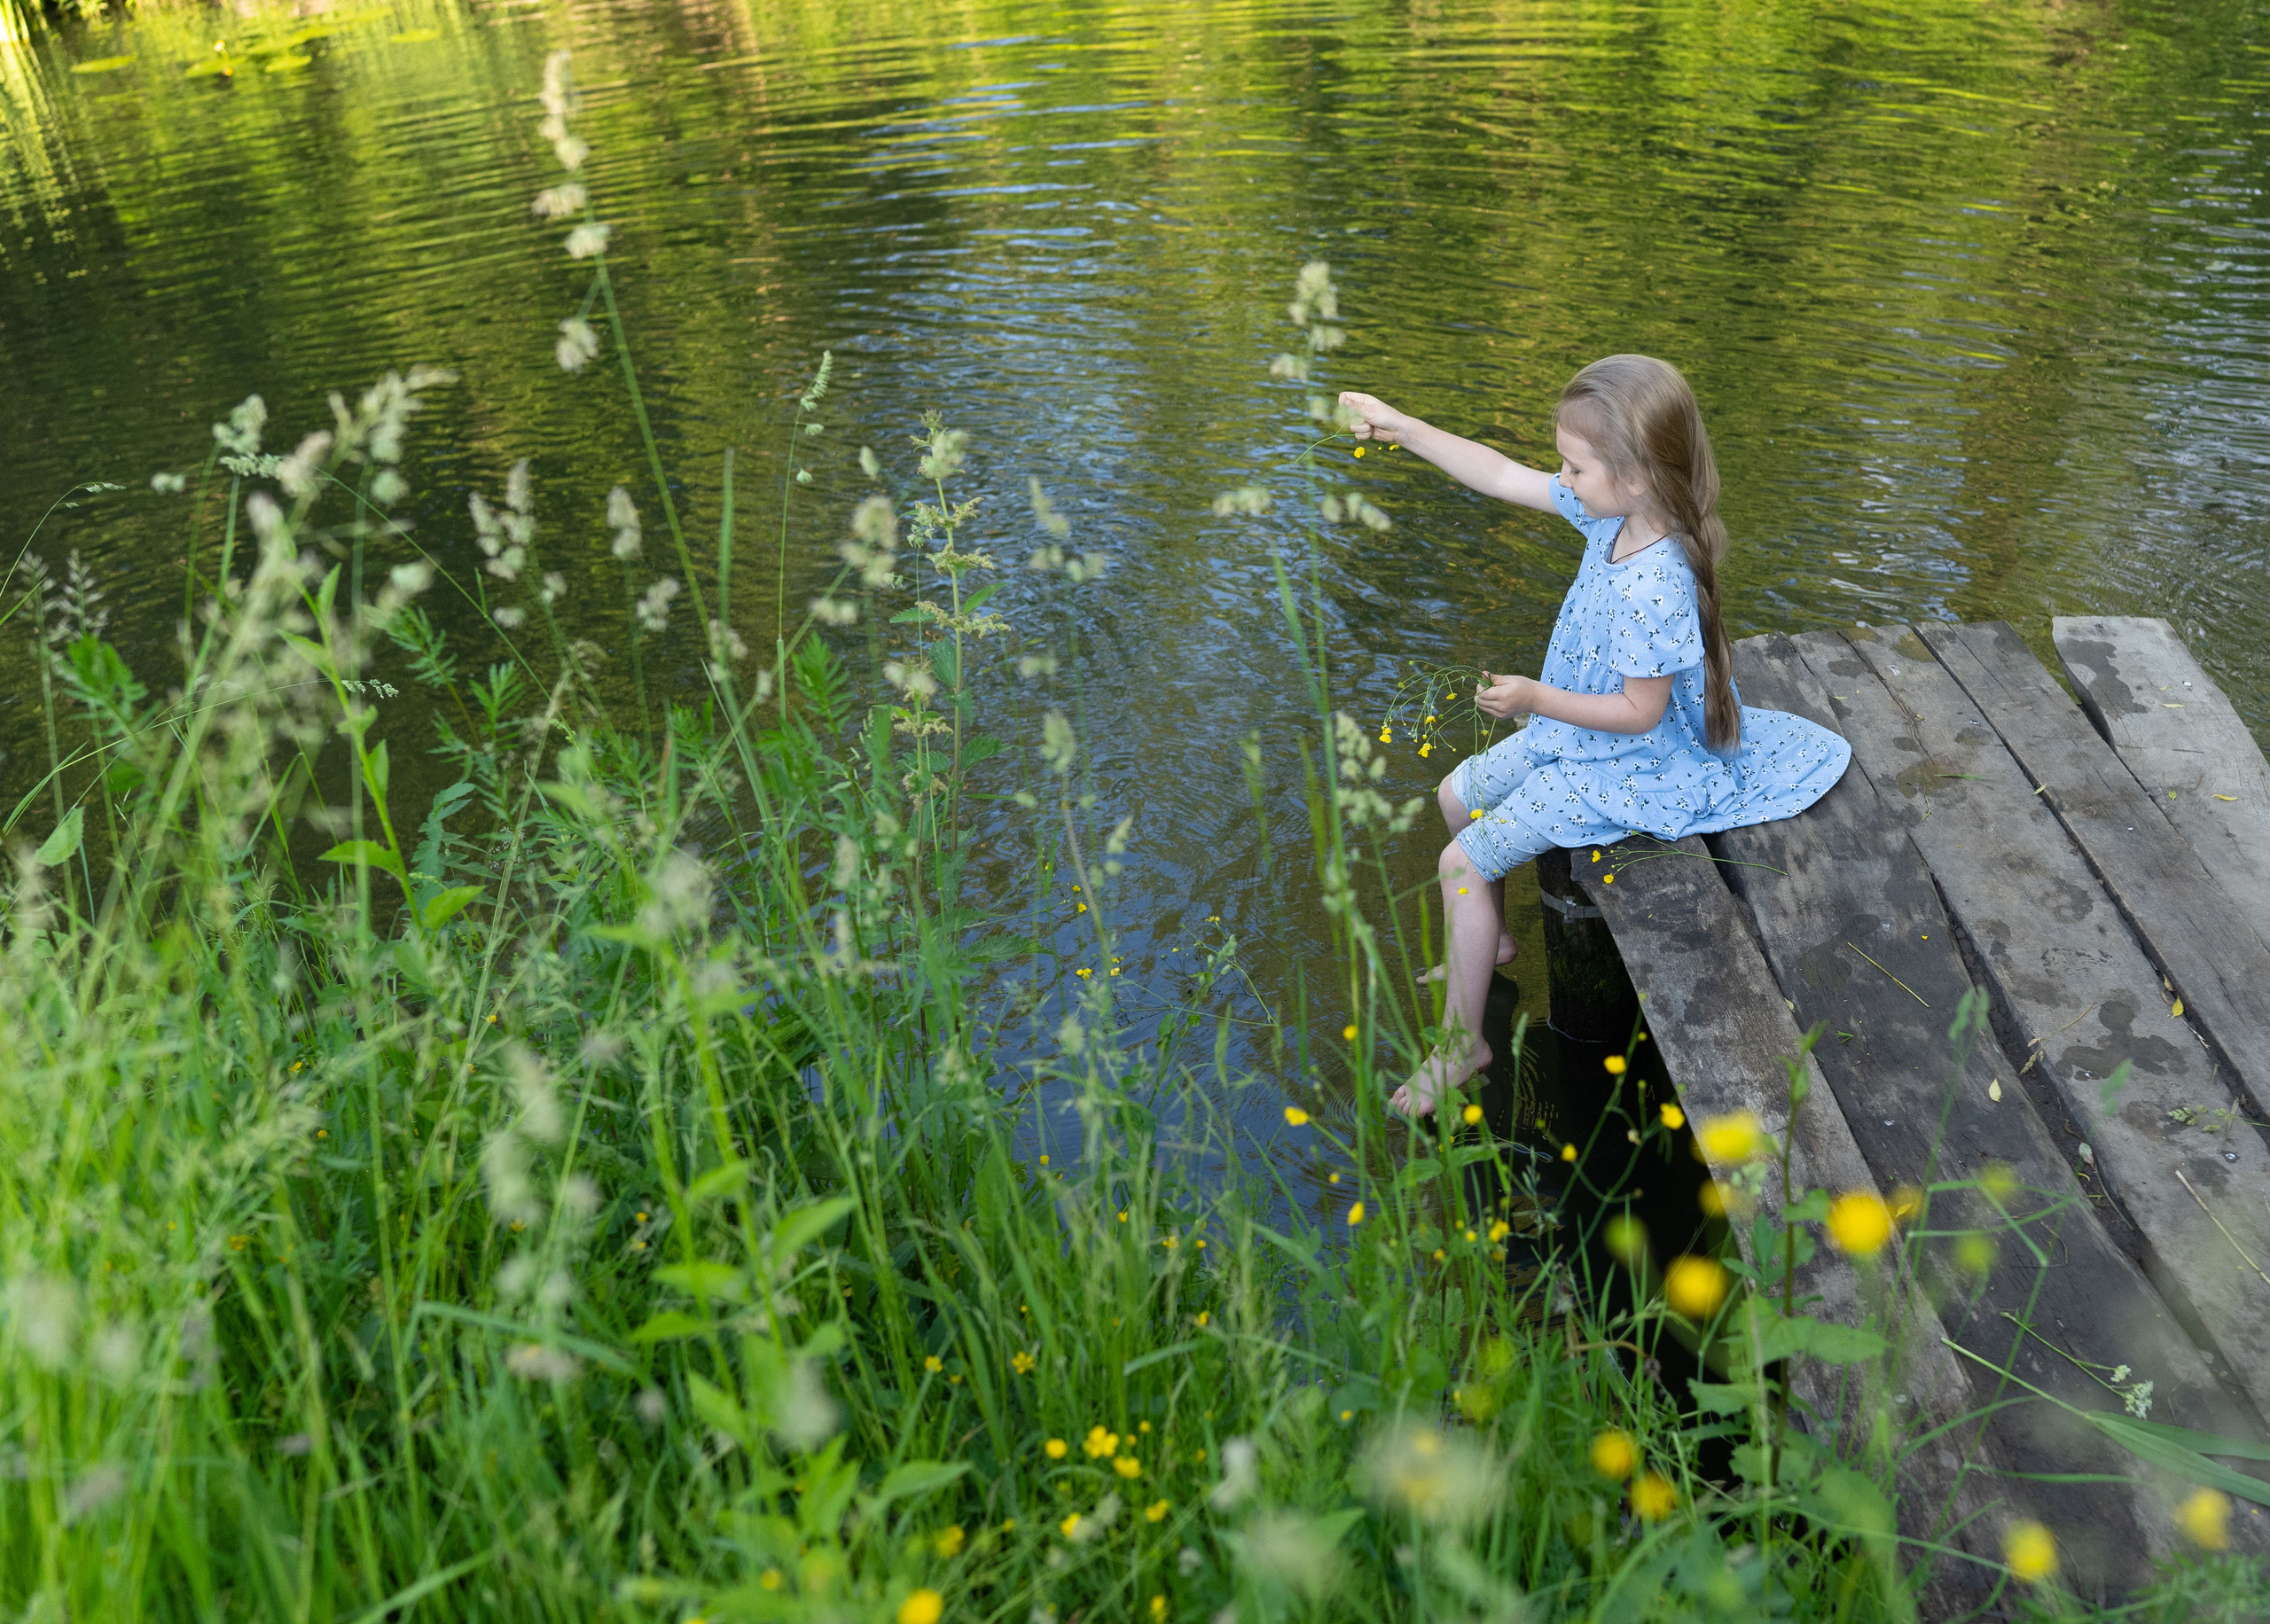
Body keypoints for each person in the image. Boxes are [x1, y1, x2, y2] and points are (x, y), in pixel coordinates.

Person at [1337, 355, 1851, 1118]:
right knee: (1452, 796)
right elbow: (1501, 474)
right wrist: (1406, 428)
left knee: (1459, 859)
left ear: (1637, 475)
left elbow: (1641, 716)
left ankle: (1463, 1047)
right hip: (1578, 732)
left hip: (1628, 765)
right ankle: (1494, 946)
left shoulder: (1655, 582)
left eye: (1575, 467)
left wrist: (1539, 697)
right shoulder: (1611, 510)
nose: (1563, 479)